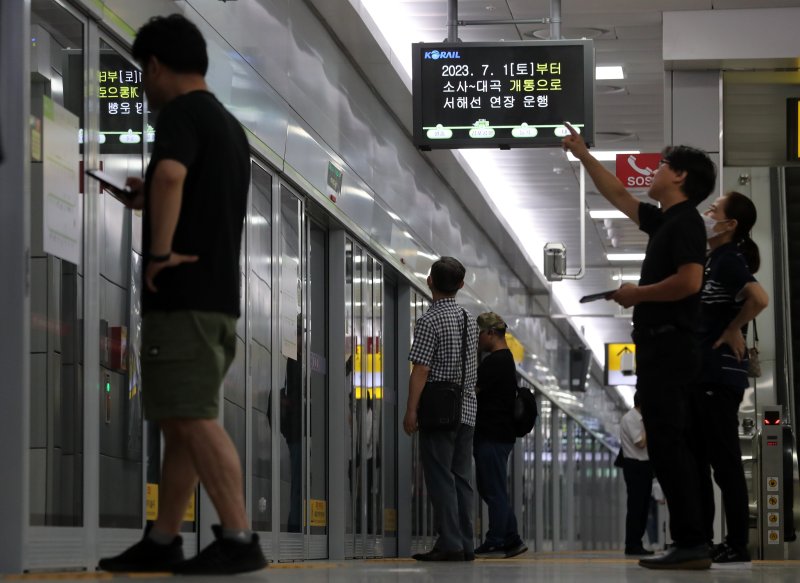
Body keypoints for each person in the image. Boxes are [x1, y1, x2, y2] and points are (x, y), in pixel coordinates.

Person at [98, 14, 266, 574]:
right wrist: (153, 197)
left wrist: (160, 252)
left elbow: (171, 176)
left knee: (193, 418)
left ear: (155, 66)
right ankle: (164, 537)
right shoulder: (225, 123)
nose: (143, 87)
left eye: (142, 74)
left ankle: (240, 536)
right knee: (180, 417)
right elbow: (182, 187)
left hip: (186, 296)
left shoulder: (180, 115)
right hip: (215, 297)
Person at [563, 123, 716, 570]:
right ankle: (691, 540)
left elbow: (690, 282)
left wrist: (637, 294)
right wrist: (583, 155)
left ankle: (691, 542)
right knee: (669, 445)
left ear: (681, 176)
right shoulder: (668, 221)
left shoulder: (687, 224)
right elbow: (618, 196)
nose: (655, 169)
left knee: (670, 446)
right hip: (659, 349)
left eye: (664, 164)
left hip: (669, 348)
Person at [691, 191, 768, 567]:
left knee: (724, 462)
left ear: (730, 224)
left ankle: (737, 543)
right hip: (708, 373)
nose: (707, 213)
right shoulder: (714, 259)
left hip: (719, 375)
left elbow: (760, 297)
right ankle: (708, 540)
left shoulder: (727, 259)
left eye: (714, 210)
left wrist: (733, 328)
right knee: (707, 459)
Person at [404, 257, 479, 562]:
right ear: (461, 285)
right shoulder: (469, 321)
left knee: (439, 477)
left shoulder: (429, 321)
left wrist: (411, 410)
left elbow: (421, 369)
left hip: (439, 410)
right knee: (461, 477)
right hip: (468, 410)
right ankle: (465, 543)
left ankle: (449, 543)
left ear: (429, 280)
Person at [472, 312, 527, 558]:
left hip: (493, 434)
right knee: (492, 488)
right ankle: (512, 538)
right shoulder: (506, 360)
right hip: (498, 434)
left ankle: (496, 540)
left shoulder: (496, 361)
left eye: (480, 334)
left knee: (492, 489)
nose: (478, 339)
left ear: (491, 333)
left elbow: (474, 389)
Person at [620, 391, 654, 556]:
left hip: (644, 465)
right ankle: (632, 544)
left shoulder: (637, 418)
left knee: (643, 507)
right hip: (635, 466)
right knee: (636, 506)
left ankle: (637, 542)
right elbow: (640, 442)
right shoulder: (631, 418)